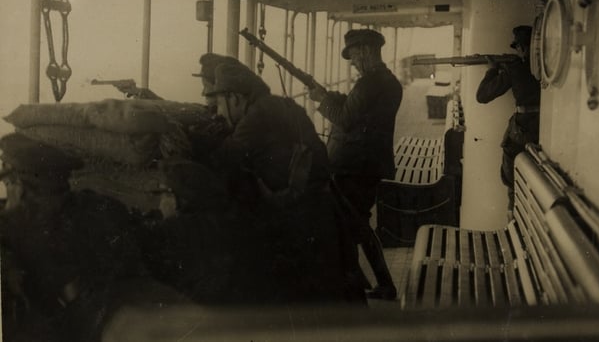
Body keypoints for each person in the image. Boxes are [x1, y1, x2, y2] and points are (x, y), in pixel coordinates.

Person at [203, 61, 364, 305]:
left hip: (301, 222)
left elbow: (224, 159)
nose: (219, 113)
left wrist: (202, 139)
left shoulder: (254, 118)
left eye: (220, 105)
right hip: (325, 214)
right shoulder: (285, 105)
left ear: (234, 98)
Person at [0, 133, 186, 342]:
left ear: (19, 186)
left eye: (8, 184)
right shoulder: (101, 206)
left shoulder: (19, 227)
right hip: (155, 312)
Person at [308, 28, 403, 300]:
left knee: (352, 224)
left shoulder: (369, 83)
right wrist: (329, 96)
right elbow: (357, 110)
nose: (351, 61)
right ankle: (373, 282)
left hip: (353, 167)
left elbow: (346, 119)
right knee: (356, 223)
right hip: (368, 165)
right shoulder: (387, 81)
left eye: (353, 55)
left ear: (365, 50)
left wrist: (321, 100)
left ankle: (359, 284)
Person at [476, 25, 541, 216]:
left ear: (521, 47)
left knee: (512, 181)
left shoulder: (516, 69)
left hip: (522, 129)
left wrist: (491, 70)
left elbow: (482, 96)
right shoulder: (546, 64)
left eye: (518, 47)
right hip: (542, 127)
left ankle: (513, 216)